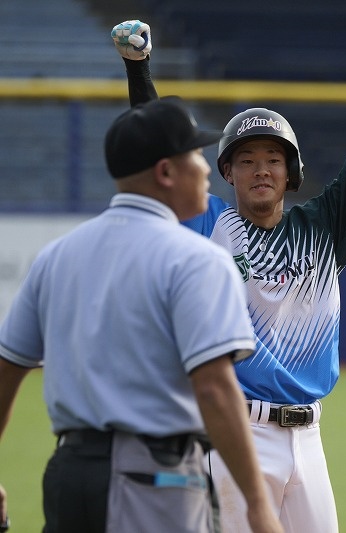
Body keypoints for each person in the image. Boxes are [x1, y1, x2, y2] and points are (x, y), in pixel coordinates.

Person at [111, 19, 346, 532]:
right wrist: (138, 67)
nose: (261, 169)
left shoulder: (325, 226)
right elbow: (162, 151)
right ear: (227, 173)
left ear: (291, 173)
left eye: (273, 159)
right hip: (236, 433)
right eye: (246, 160)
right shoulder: (209, 225)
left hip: (309, 437)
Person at [0, 97, 282, 533]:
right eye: (195, 156)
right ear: (166, 172)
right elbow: (214, 389)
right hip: (153, 479)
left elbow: (6, 369)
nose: (206, 170)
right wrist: (259, 506)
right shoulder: (198, 259)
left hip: (68, 475)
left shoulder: (57, 255)